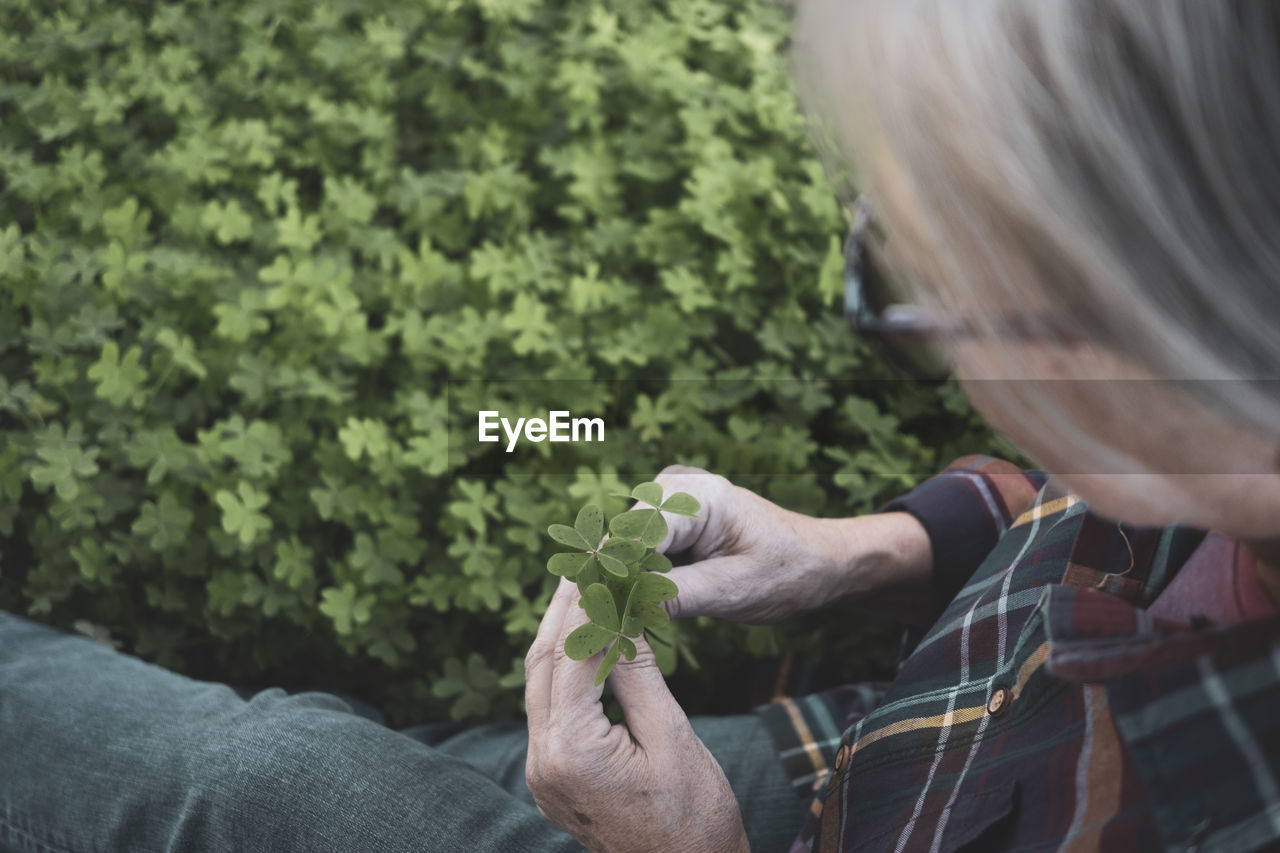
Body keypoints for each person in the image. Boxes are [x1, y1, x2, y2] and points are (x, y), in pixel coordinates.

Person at [5, 2, 1280, 852]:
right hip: (885, 745)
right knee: (326, 754)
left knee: (253, 780)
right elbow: (1106, 494)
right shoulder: (1221, 423)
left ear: (1145, 335)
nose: (922, 325)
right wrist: (861, 547)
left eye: (911, 284)